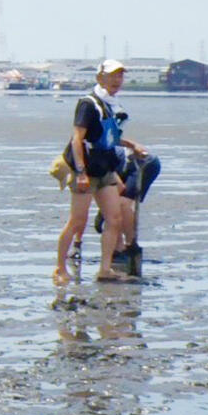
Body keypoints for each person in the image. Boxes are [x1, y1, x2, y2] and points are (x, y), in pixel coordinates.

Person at [53, 60, 146, 284]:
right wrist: (81, 172)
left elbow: (108, 138)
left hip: (105, 168)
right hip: (85, 169)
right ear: (100, 78)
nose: (117, 80)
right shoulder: (88, 104)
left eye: (120, 76)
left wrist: (131, 145)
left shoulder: (112, 105)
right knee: (77, 221)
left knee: (114, 219)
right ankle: (59, 269)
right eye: (112, 76)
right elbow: (78, 139)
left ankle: (105, 269)